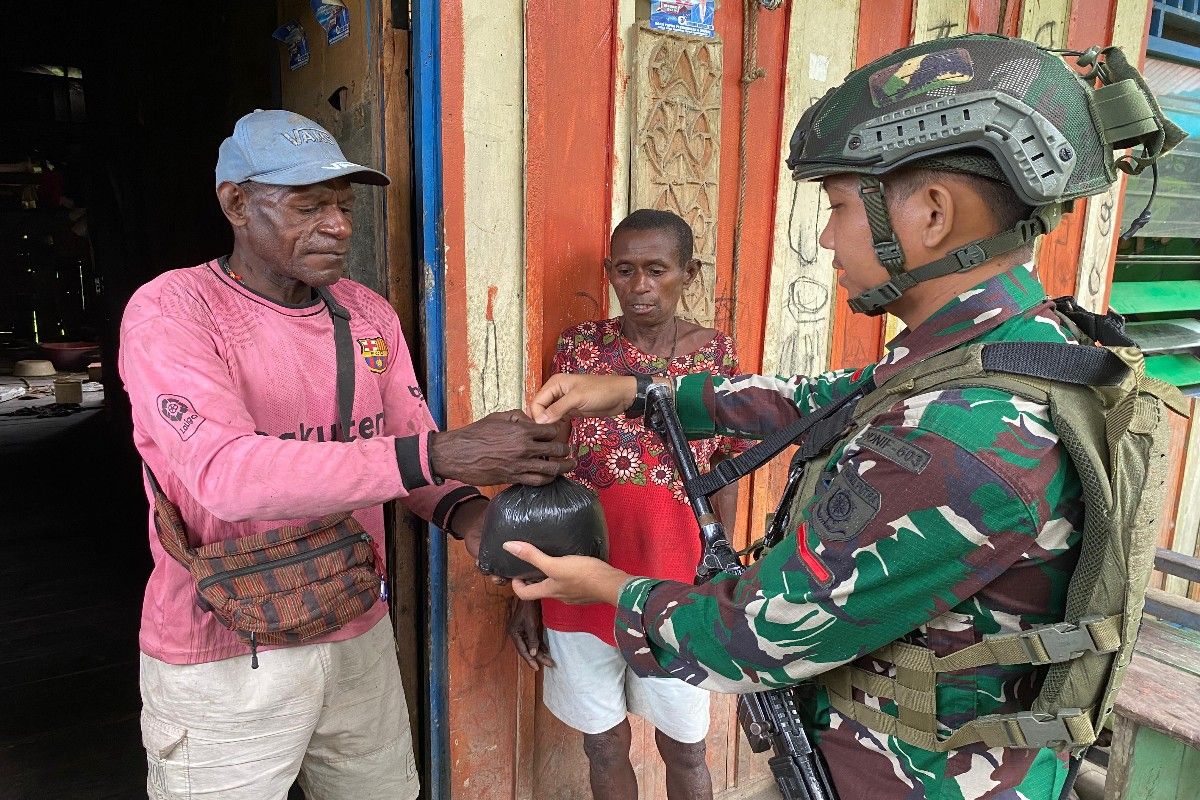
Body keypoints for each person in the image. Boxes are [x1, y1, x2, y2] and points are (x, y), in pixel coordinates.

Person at [505, 36, 1183, 799]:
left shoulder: (956, 434)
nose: (826, 238)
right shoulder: (1004, 348)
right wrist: (639, 395)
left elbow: (752, 637)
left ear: (930, 214)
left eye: (837, 208)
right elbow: (814, 399)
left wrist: (605, 587)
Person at [119, 109, 572, 800]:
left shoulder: (366, 313)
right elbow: (227, 477)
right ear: (236, 202)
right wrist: (446, 452)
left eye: (343, 205)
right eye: (308, 205)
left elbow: (414, 460)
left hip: (353, 625)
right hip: (225, 648)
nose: (338, 225)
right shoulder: (173, 313)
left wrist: (479, 524)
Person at [506, 209, 748, 800]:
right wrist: (525, 585)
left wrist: (720, 577)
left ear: (688, 273)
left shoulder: (712, 355)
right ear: (609, 273)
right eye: (625, 270)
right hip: (579, 577)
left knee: (686, 749)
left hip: (676, 579)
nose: (640, 287)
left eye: (657, 270)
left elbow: (728, 472)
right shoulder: (581, 348)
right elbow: (546, 465)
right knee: (603, 745)